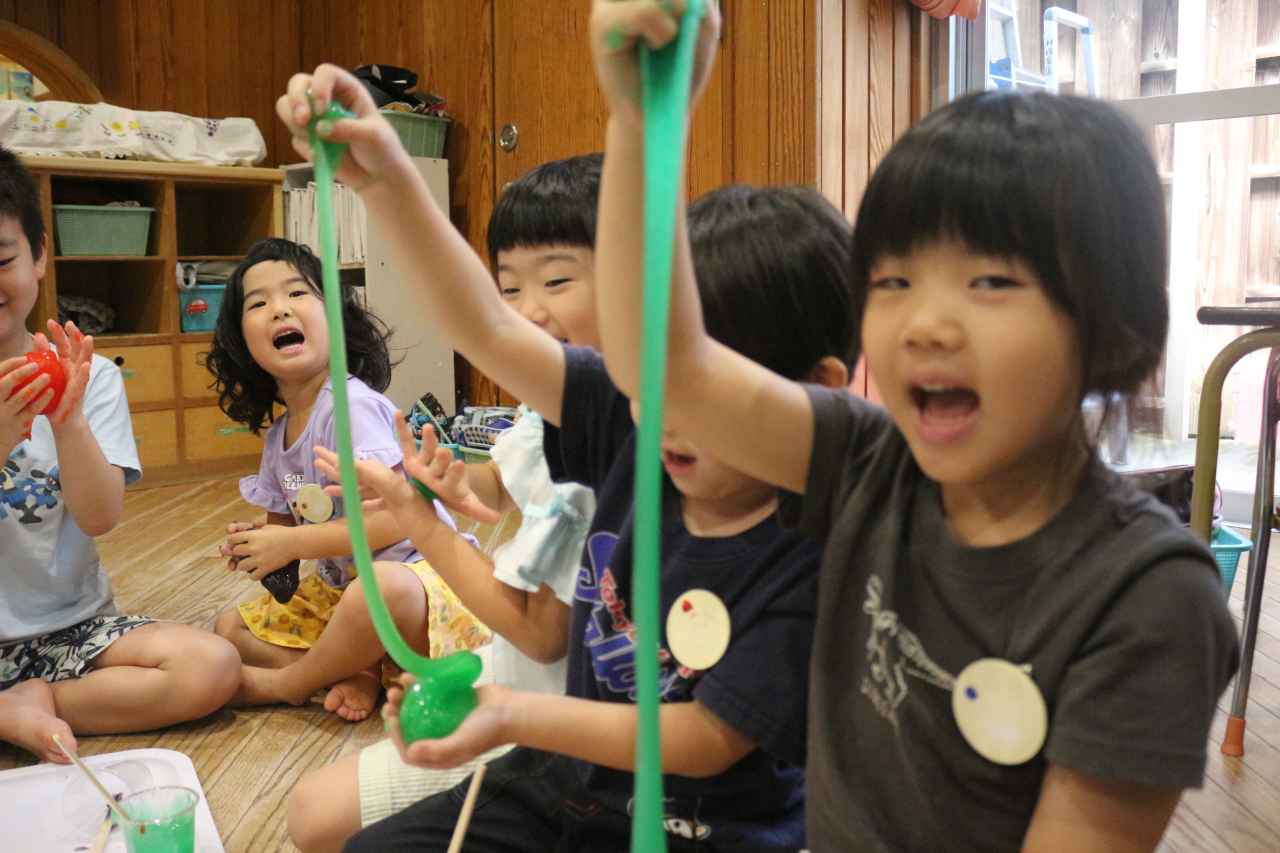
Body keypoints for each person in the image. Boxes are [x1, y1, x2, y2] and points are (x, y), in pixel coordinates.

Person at [586, 3, 1239, 852]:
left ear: (1114, 336)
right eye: (892, 280)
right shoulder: (866, 463)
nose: (923, 322)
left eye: (992, 281)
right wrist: (639, 121)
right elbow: (665, 366)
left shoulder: (1150, 598)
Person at [276, 64, 855, 852]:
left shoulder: (807, 544)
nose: (661, 413)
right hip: (569, 779)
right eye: (647, 370)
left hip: (707, 826)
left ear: (817, 398)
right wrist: (384, 179)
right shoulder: (630, 419)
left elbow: (708, 739)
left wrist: (512, 714)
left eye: (706, 388)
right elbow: (483, 324)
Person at [287, 154, 602, 853]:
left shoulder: (605, 450)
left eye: (555, 280)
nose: (528, 311)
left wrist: (419, 518)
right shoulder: (544, 403)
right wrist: (441, 477)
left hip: (551, 721)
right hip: (509, 674)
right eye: (508, 288)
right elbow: (501, 476)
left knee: (320, 822)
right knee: (311, 813)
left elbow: (541, 632)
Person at [0, 145, 240, 763]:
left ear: (40, 255)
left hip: (69, 630)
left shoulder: (91, 378)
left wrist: (68, 418)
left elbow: (99, 517)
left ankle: (30, 702)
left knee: (209, 668)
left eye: (0, 259)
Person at [205, 237, 489, 721]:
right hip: (344, 596)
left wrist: (293, 545)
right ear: (241, 341)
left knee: (379, 590)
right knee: (228, 630)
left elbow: (401, 522)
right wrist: (261, 544)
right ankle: (360, 668)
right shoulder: (279, 436)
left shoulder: (350, 407)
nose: (279, 310)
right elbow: (288, 534)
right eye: (258, 303)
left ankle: (292, 682)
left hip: (421, 586)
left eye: (297, 293)